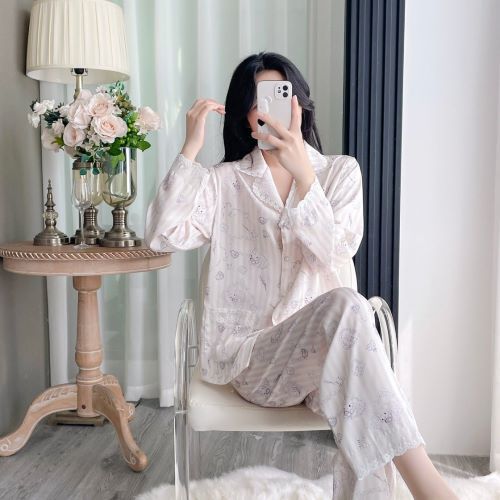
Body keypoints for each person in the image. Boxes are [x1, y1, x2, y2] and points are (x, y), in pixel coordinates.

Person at [145, 52, 458, 499]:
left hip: (329, 366)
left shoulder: (340, 173)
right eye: (257, 101)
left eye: (280, 96)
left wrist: (305, 176)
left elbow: (336, 252)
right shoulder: (224, 182)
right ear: (245, 115)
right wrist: (190, 149)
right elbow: (160, 235)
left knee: (356, 350)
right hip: (255, 362)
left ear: (299, 105)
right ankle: (432, 491)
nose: (269, 110)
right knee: (349, 306)